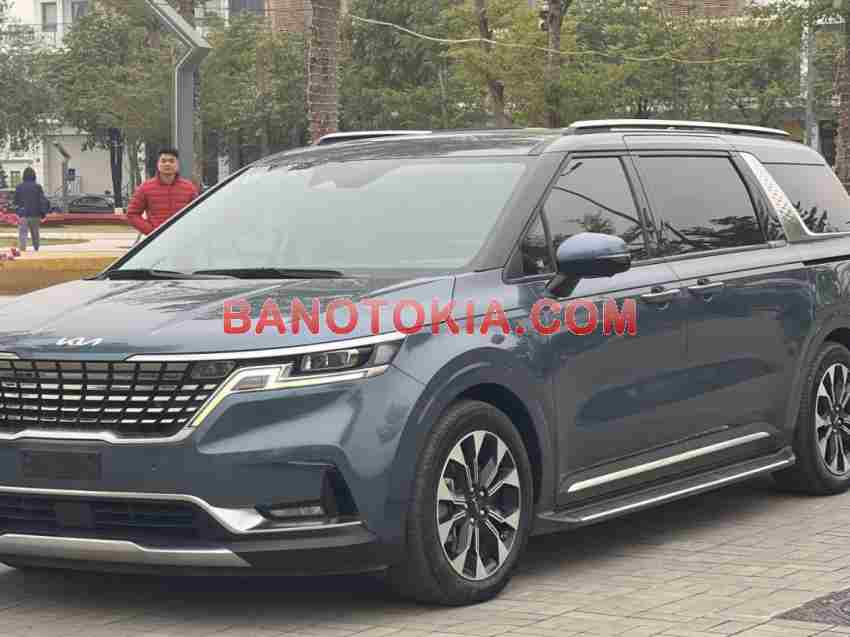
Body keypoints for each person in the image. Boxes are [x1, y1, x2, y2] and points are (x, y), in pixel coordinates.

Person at [126, 148, 198, 235]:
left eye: (171, 161)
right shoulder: (145, 188)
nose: (167, 164)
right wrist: (152, 232)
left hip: (183, 237)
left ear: (177, 164)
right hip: (158, 239)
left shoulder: (189, 188)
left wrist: (188, 230)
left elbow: (198, 213)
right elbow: (132, 214)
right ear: (158, 164)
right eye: (163, 161)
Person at [13, 167, 49, 252]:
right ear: (34, 175)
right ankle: (36, 248)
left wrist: (18, 211)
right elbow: (42, 201)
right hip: (35, 214)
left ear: (23, 176)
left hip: (23, 214)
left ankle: (22, 250)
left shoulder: (19, 187)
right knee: (35, 233)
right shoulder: (38, 187)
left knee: (22, 233)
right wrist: (43, 214)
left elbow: (15, 201)